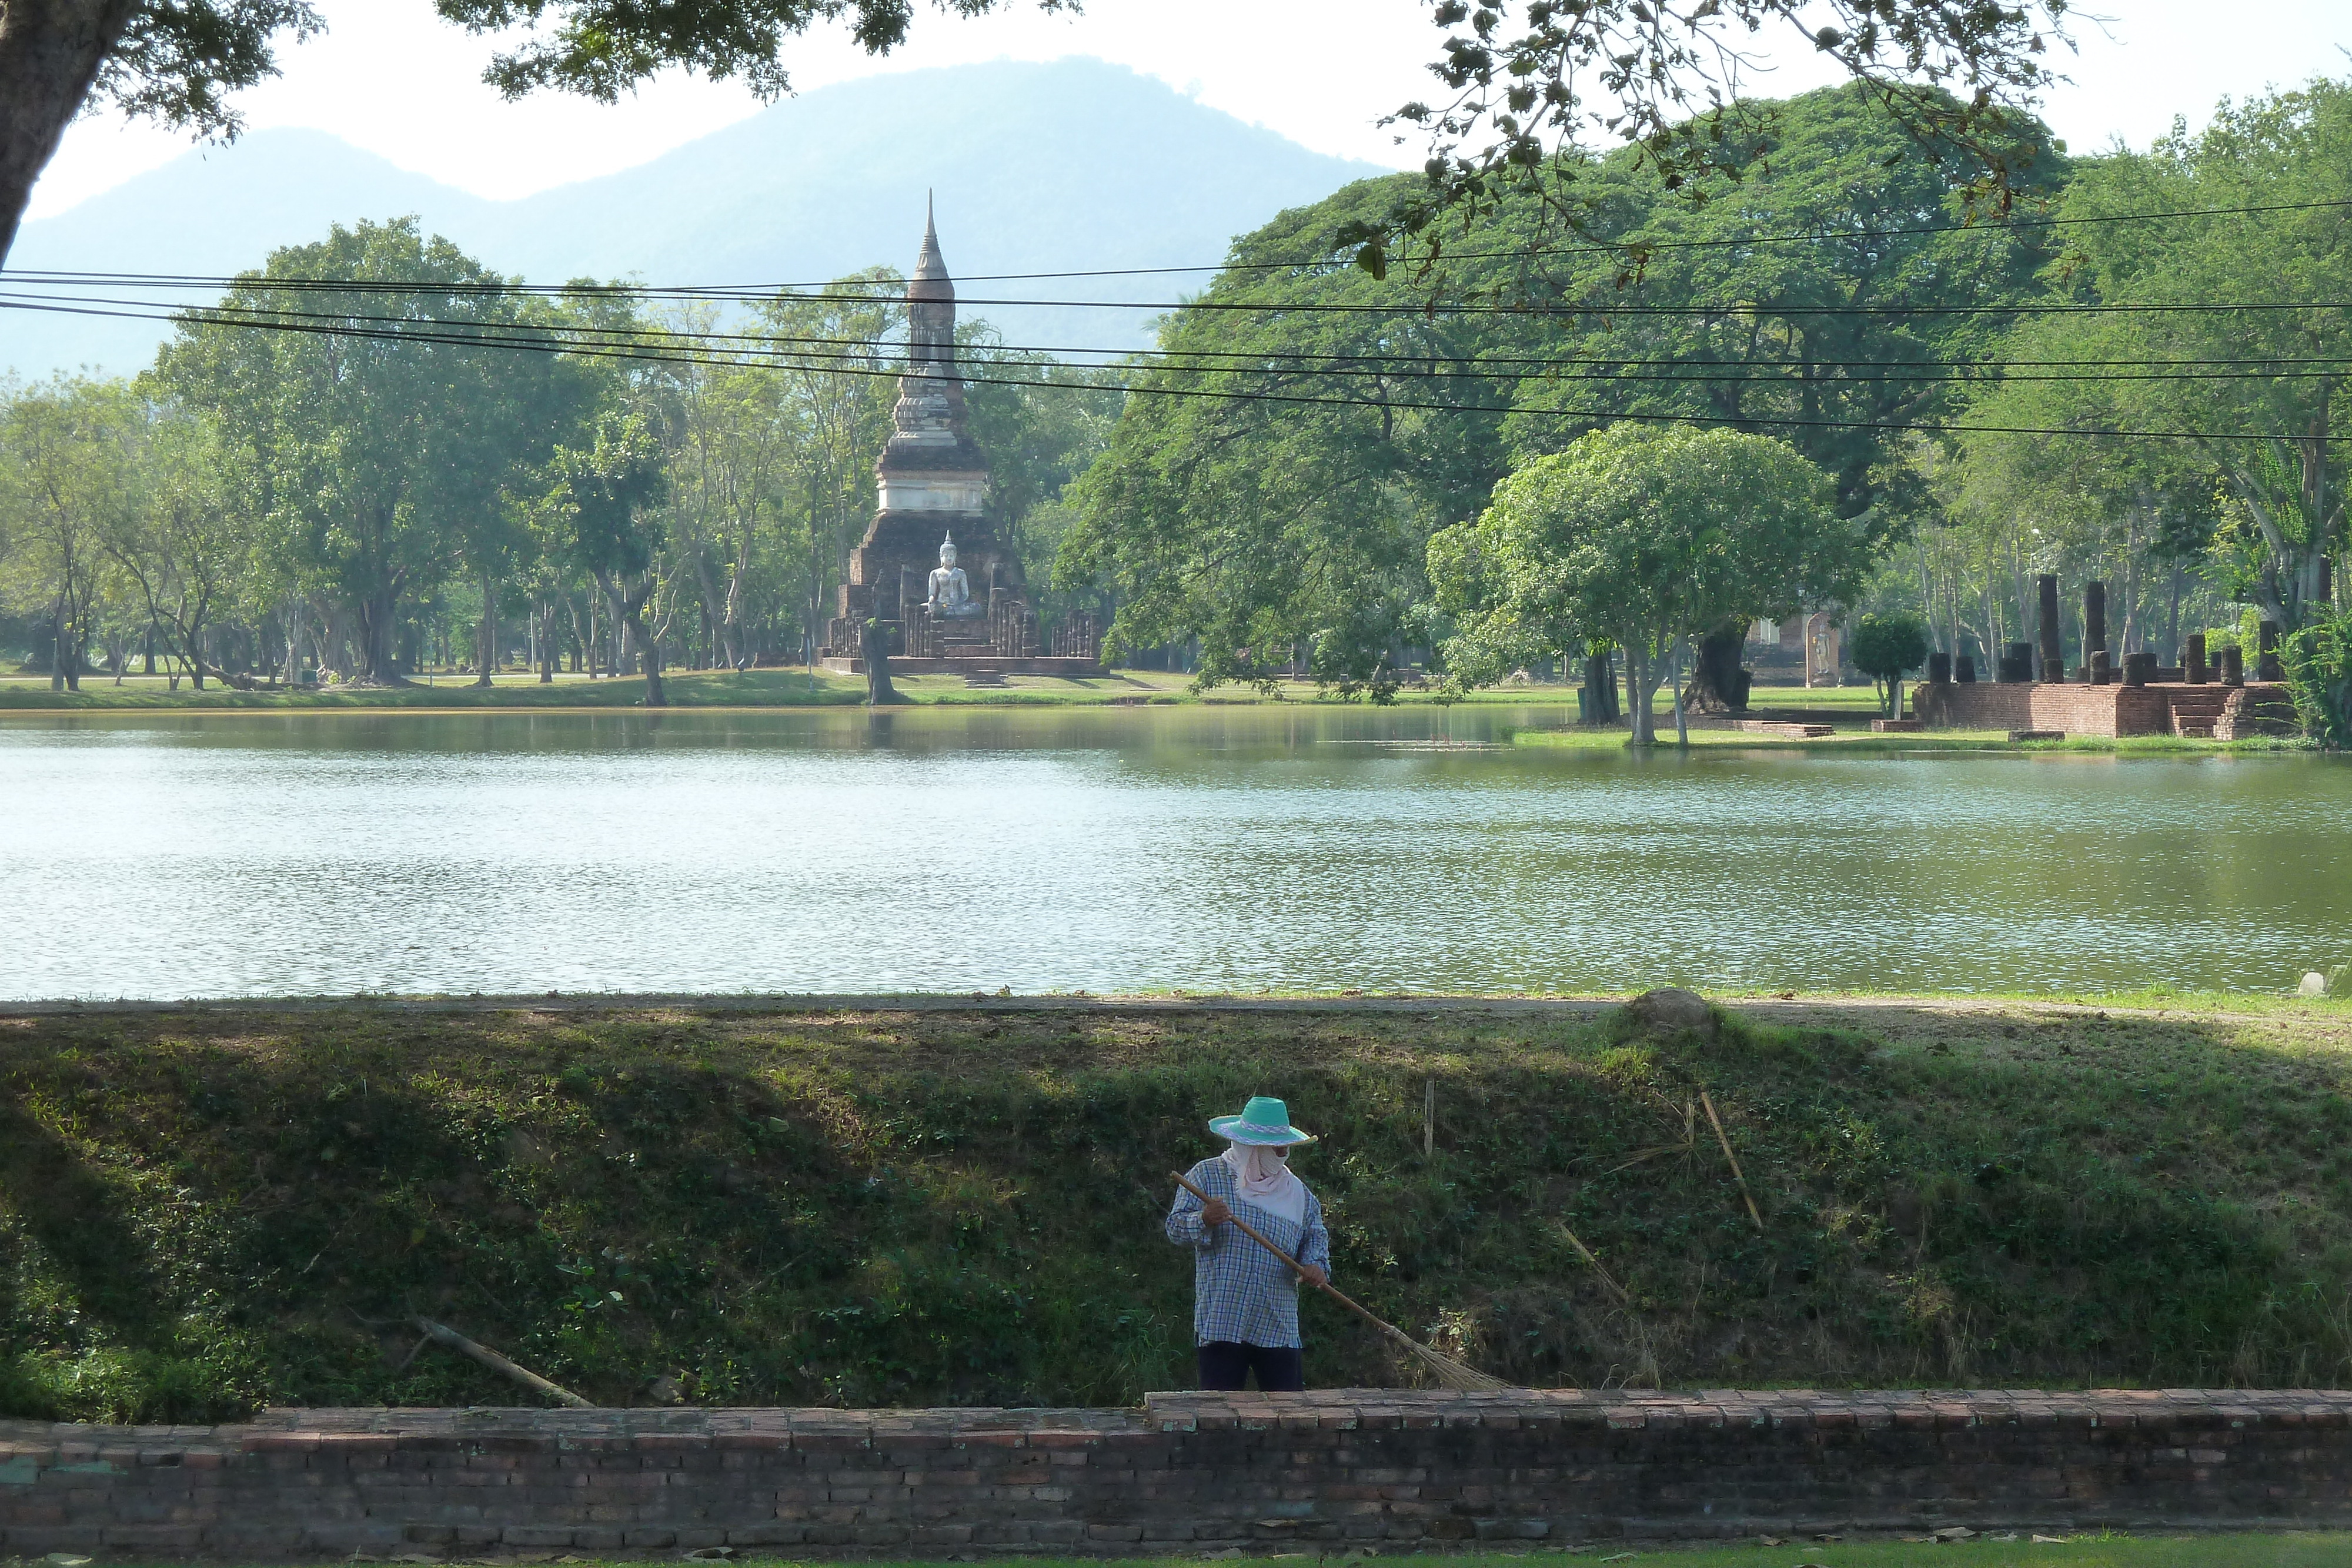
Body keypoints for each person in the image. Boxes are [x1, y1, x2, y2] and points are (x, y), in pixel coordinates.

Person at [1165, 1094, 1331, 1393]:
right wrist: (1204, 1218)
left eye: (1285, 1148)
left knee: (1289, 1414)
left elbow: (1315, 1238)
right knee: (1219, 1418)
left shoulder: (1300, 1195)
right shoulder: (1207, 1176)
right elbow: (1175, 1228)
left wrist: (1315, 1266)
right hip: (1223, 1319)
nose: (1282, 1154)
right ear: (1251, 1147)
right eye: (1276, 1148)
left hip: (1277, 1321)